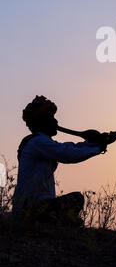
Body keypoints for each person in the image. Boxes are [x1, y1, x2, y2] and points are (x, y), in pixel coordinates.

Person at [12, 95, 109, 227]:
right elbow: (68, 154)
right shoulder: (38, 142)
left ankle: (57, 223)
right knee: (76, 199)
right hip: (31, 208)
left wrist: (98, 143)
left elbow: (70, 147)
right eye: (51, 118)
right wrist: (99, 147)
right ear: (42, 121)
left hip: (34, 207)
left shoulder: (42, 142)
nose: (55, 121)